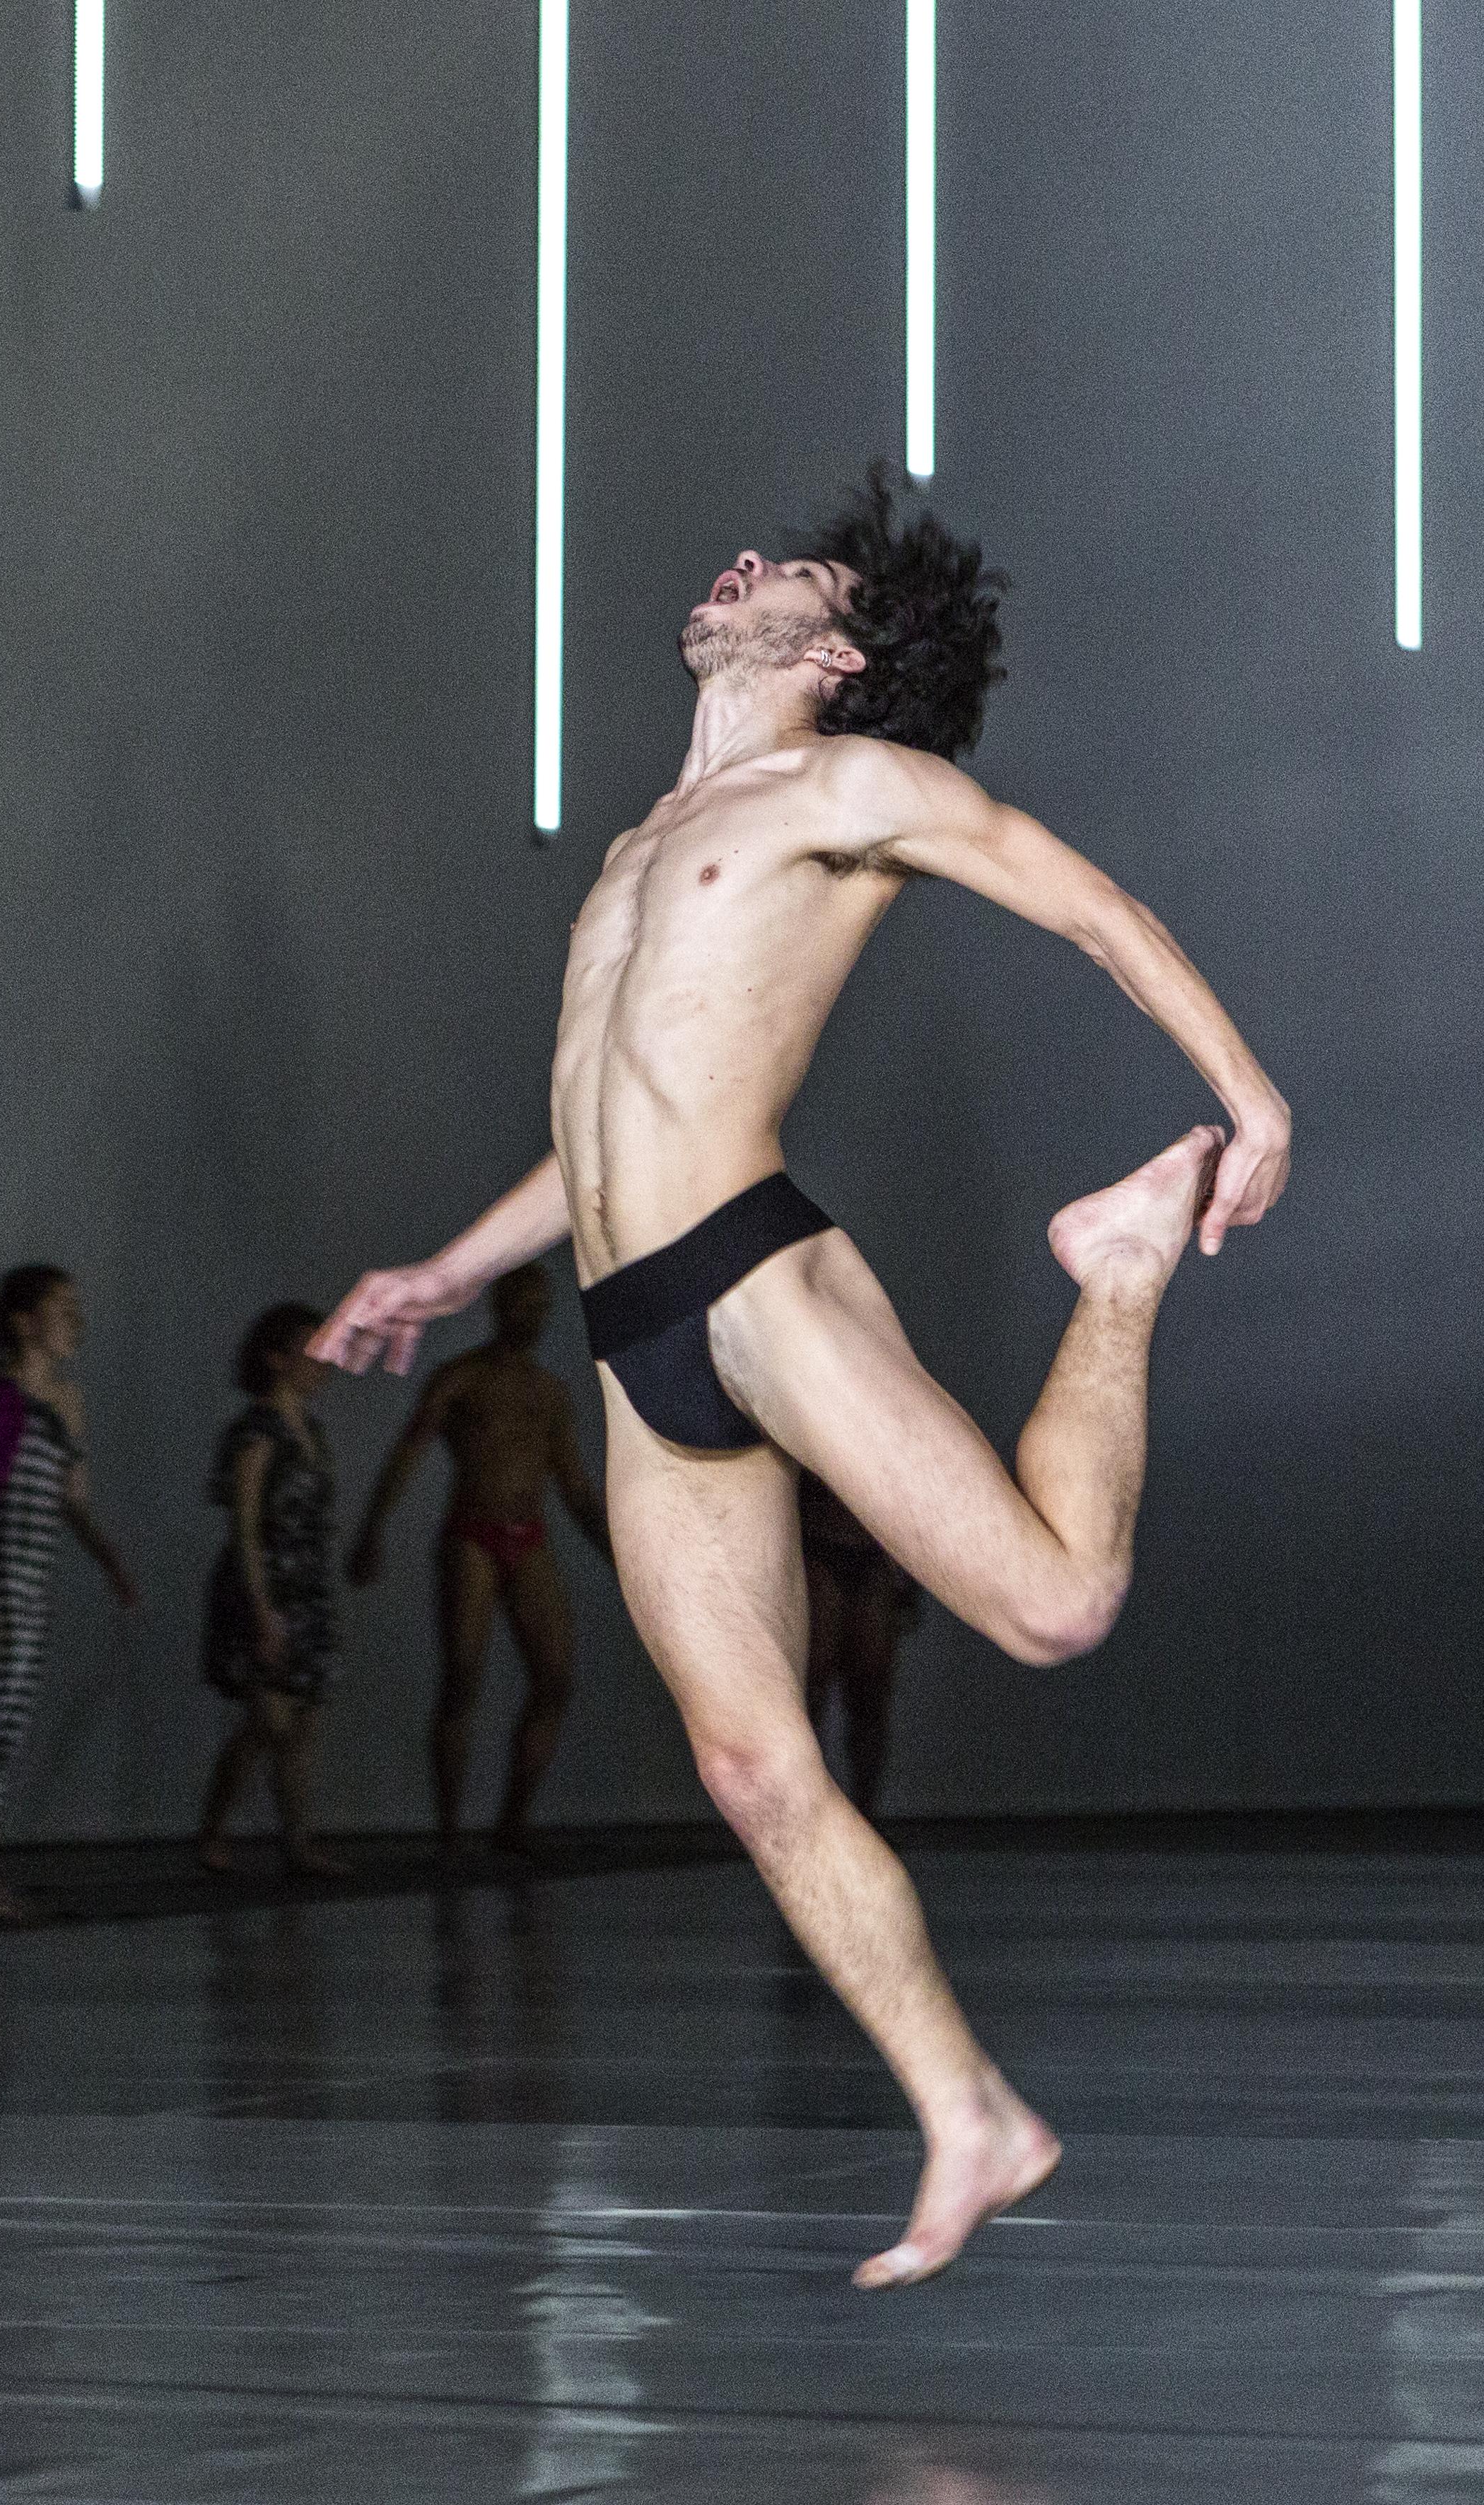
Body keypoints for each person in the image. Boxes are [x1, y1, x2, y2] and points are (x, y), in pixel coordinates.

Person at [310, 468, 1292, 2287]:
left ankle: (1119, 1270)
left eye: (791, 575)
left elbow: (1083, 907)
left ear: (834, 653)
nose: (739, 562)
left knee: (1055, 1606)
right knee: (753, 1766)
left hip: (756, 1277)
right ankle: (967, 2113)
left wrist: (1248, 1093)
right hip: (630, 1332)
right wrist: (450, 1268)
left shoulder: (849, 790)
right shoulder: (630, 852)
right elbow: (596, 1124)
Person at [346, 1261, 612, 1853]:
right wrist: (373, 1530)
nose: (533, 1313)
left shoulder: (548, 1393)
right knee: (463, 1674)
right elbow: (408, 1453)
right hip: (472, 1535)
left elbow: (573, 1487)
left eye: (541, 1303)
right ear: (500, 1304)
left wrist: (623, 1559)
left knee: (555, 1677)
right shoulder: (459, 1379)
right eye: (523, 1300)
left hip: (529, 1533)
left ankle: (512, 1822)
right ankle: (448, 1831)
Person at [0, 1265, 138, 1922]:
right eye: (61, 1307)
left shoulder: (65, 1403)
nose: (74, 1319)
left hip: (31, 1583)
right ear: (24, 1321)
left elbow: (72, 1499)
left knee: (3, 1733)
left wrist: (109, 1557)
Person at [197, 1304, 352, 1879]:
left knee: (300, 1724)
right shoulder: (256, 1432)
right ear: (277, 1358)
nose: (323, 1363)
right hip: (262, 1587)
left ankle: (297, 1841)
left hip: (306, 1587)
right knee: (269, 1720)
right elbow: (244, 1526)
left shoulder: (310, 1430)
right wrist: (261, 1609)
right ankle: (215, 1828)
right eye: (310, 1352)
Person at [800, 1471, 919, 1821]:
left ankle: (867, 1815)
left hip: (870, 1555)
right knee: (812, 1692)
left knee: (869, 1696)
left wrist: (908, 1579)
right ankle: (812, 1815)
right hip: (820, 1548)